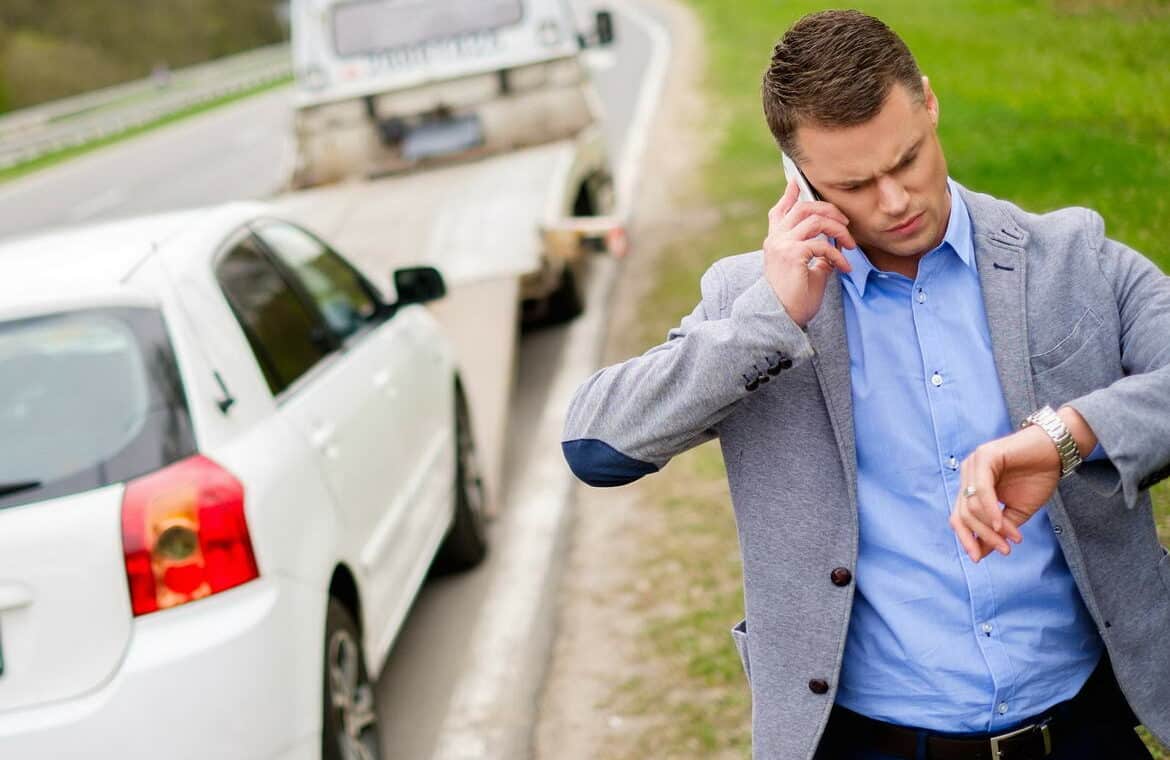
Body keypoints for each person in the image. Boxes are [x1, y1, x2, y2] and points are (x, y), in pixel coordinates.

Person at [561, 9, 1170, 760]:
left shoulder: (1069, 255)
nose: (894, 201)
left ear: (930, 103)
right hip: (870, 745)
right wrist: (768, 321)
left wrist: (1067, 436)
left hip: (1083, 733)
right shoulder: (749, 305)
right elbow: (593, 444)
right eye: (853, 183)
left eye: (908, 160)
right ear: (798, 176)